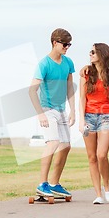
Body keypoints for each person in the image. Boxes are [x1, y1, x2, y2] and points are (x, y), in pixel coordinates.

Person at [29, 28, 75, 199]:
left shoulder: (68, 62)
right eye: (65, 44)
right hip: (47, 109)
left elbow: (70, 87)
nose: (67, 47)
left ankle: (54, 184)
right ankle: (42, 184)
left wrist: (73, 110)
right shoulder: (44, 64)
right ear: (55, 43)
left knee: (66, 146)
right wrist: (40, 114)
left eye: (69, 44)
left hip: (62, 110)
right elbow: (32, 91)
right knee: (53, 143)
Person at [78, 43, 109, 204]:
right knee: (92, 157)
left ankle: (107, 186)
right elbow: (82, 98)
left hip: (106, 115)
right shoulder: (86, 73)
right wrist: (81, 120)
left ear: (102, 53)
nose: (90, 54)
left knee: (102, 154)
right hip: (89, 117)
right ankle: (98, 194)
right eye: (90, 52)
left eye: (93, 52)